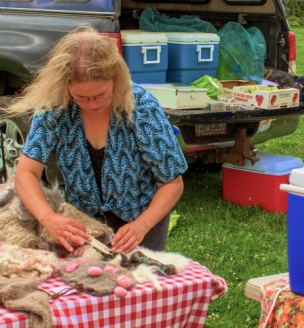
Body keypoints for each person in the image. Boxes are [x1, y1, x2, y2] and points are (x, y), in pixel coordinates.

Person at [11, 27, 187, 252]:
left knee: (138, 282)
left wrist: (142, 225)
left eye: (101, 95)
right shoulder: (55, 107)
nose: (92, 105)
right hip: (84, 223)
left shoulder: (142, 107)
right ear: (66, 87)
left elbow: (172, 183)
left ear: (117, 79)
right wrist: (48, 218)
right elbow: (26, 173)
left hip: (141, 221)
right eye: (82, 98)